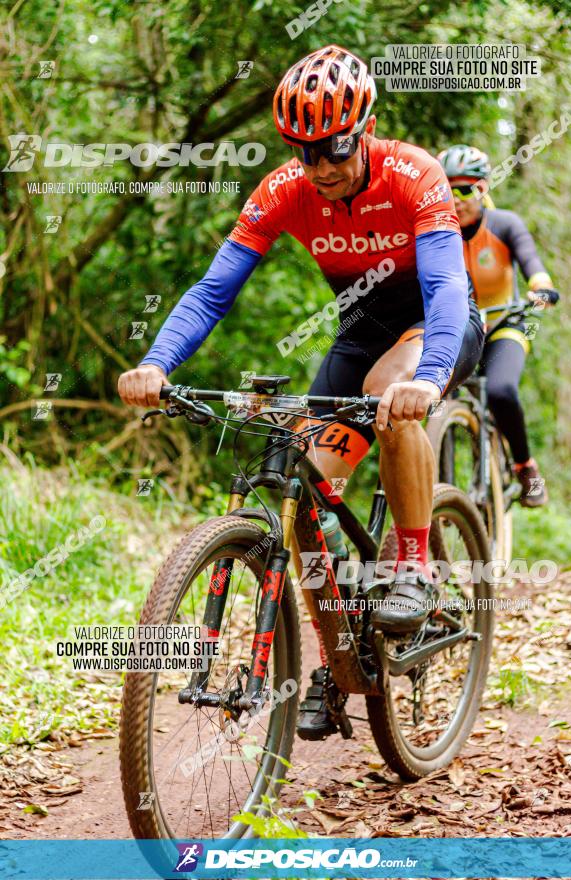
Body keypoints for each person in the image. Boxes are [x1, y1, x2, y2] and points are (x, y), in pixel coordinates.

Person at [119, 45, 484, 739]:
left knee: (390, 391)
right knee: (305, 490)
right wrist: (156, 363)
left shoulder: (416, 175)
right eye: (302, 151)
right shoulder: (284, 189)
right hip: (359, 330)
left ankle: (412, 568)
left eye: (333, 148)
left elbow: (443, 287)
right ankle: (335, 659)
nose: (319, 167)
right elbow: (212, 291)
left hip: (435, 324)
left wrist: (429, 377)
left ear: (364, 127)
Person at [438, 144, 557, 506]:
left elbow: (533, 266)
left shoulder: (504, 224)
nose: (456, 199)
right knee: (434, 396)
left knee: (503, 390)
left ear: (484, 188)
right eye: (447, 190)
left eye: (465, 189)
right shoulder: (437, 233)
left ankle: (525, 467)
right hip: (460, 330)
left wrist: (542, 289)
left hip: (506, 324)